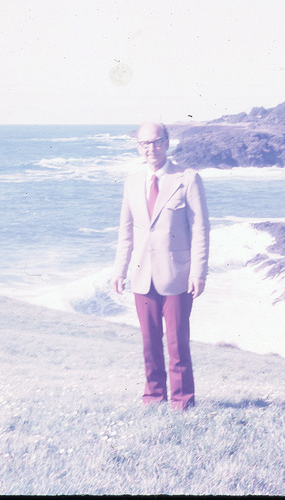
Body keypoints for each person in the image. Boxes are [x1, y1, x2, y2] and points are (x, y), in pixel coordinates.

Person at [112, 122, 210, 411]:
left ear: (167, 143)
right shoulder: (131, 182)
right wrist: (119, 270)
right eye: (144, 144)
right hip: (142, 275)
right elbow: (125, 231)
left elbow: (200, 229)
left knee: (177, 345)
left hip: (177, 276)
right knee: (149, 344)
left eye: (156, 142)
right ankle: (153, 398)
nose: (150, 149)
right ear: (138, 147)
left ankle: (182, 402)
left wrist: (198, 272)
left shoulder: (187, 179)